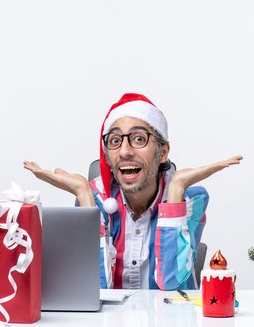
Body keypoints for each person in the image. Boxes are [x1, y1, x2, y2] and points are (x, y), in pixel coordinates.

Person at [24, 93, 242, 290]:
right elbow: (94, 290)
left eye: (139, 139)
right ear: (107, 157)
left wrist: (175, 191)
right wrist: (83, 194)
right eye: (115, 141)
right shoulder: (95, 198)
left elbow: (171, 285)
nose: (125, 152)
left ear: (163, 152)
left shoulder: (191, 197)